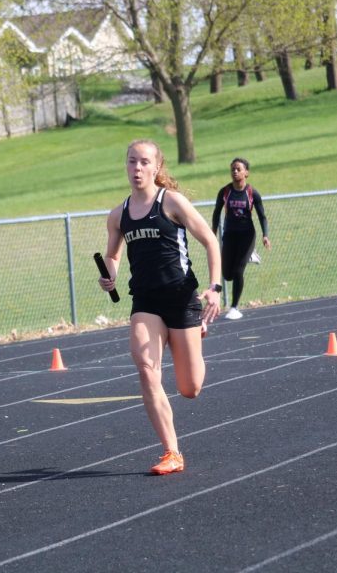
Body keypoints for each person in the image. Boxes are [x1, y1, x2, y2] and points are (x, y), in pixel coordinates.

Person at [97, 139, 222, 475]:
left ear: (156, 167)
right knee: (146, 367)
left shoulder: (172, 203)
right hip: (146, 302)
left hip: (182, 298)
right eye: (131, 162)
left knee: (189, 388)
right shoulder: (119, 214)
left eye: (143, 163)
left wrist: (215, 287)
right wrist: (108, 275)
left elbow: (210, 241)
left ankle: (196, 333)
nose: (136, 169)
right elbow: (112, 255)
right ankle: (172, 451)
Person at [211, 157, 271, 320]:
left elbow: (262, 216)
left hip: (247, 236)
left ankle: (234, 307)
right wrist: (213, 233)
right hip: (230, 235)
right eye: (233, 169)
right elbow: (216, 213)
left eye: (238, 169)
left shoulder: (252, 193)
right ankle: (250, 256)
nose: (235, 172)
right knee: (227, 274)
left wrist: (265, 235)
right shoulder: (225, 192)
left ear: (246, 173)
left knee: (238, 271)